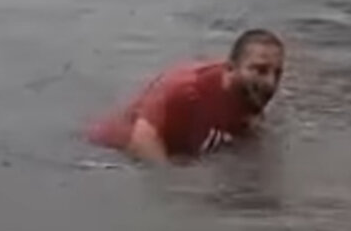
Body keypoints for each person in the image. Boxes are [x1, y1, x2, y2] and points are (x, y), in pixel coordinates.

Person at [88, 29, 285, 166]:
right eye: (260, 70)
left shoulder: (250, 93)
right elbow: (142, 138)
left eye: (277, 73)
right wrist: (173, 190)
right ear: (230, 68)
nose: (270, 82)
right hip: (108, 153)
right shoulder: (187, 88)